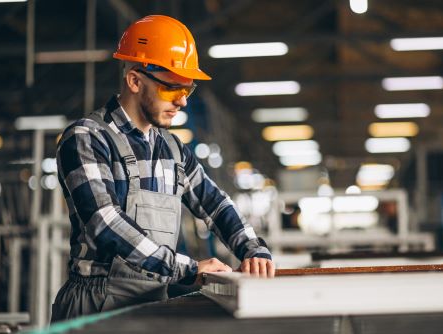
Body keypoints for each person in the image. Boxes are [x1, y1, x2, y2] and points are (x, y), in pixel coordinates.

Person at [51, 15, 275, 321]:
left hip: (153, 301)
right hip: (95, 305)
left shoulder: (173, 150)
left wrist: (253, 250)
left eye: (188, 90)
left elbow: (215, 203)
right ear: (134, 80)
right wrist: (188, 269)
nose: (182, 102)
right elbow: (105, 223)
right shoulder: (87, 138)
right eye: (172, 90)